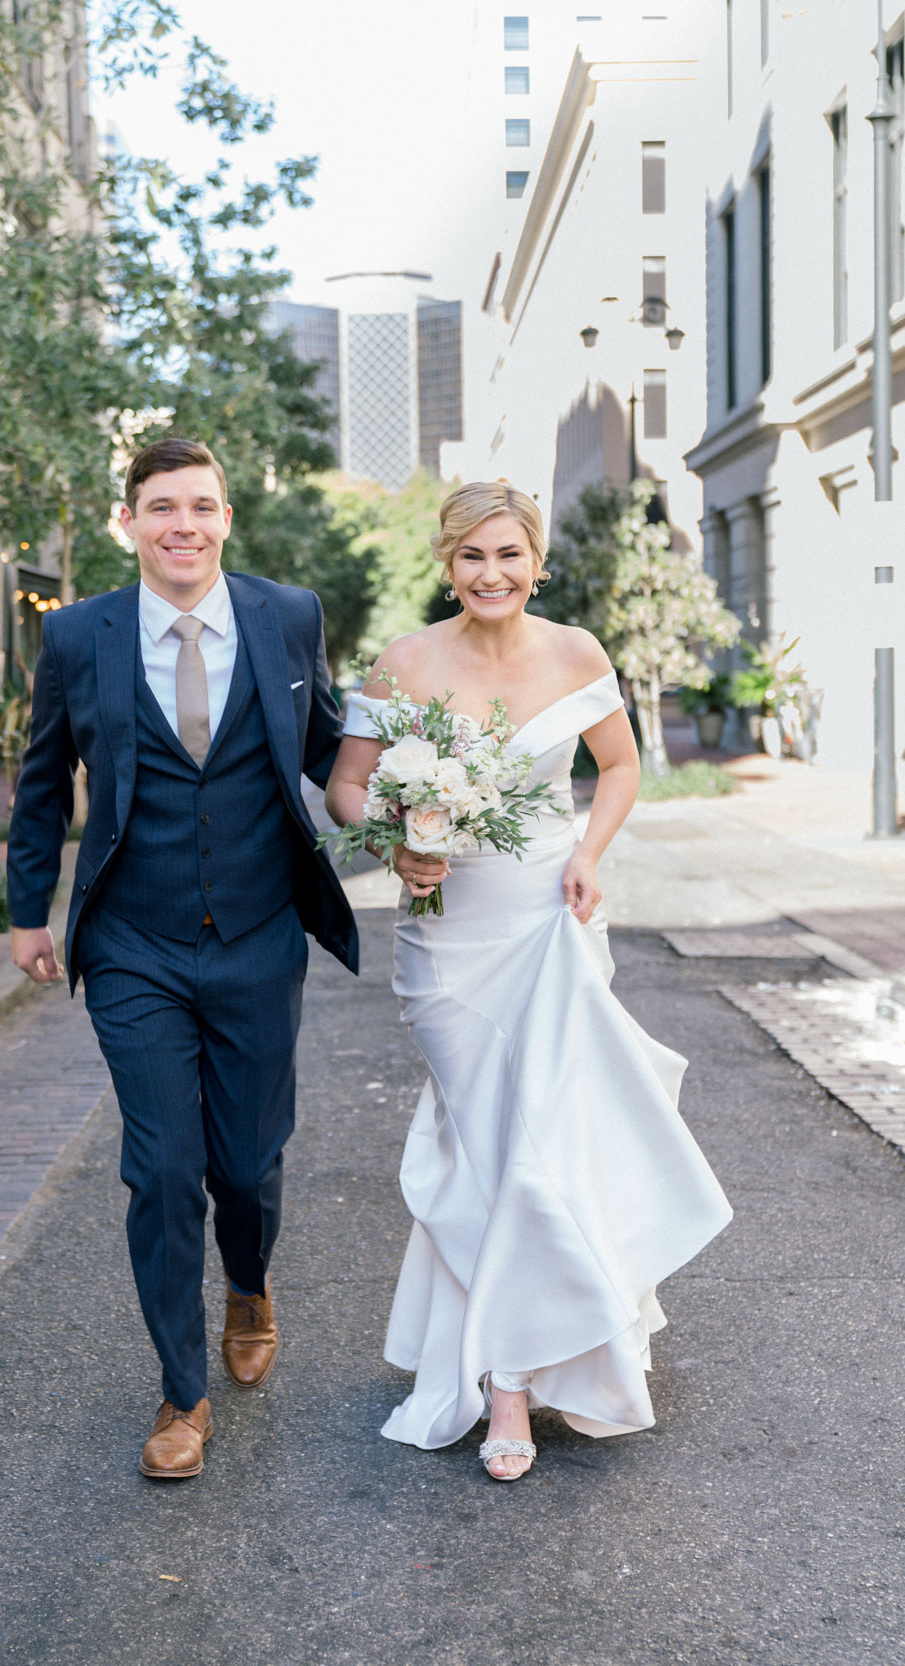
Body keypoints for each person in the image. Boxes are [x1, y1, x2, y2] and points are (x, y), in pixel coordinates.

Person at [325, 481, 731, 1482]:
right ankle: (522, 1342)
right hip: (445, 935)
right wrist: (393, 840)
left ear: (535, 560)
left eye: (508, 554)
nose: (490, 573)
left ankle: (508, 1376)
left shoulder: (577, 653)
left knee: (535, 1138)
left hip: (548, 916)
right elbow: (344, 784)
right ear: (447, 563)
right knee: (483, 1137)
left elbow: (622, 766)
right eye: (471, 556)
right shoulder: (405, 661)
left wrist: (591, 849)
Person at [7, 437, 357, 1481]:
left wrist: (426, 800)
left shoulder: (286, 615)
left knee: (244, 1162)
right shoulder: (76, 635)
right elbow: (37, 786)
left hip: (256, 933)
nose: (183, 524)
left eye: (201, 504)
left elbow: (330, 745)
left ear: (226, 517)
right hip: (132, 944)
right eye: (161, 506)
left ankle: (248, 1280)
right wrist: (31, 912)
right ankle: (182, 1389)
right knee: (160, 1169)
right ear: (130, 522)